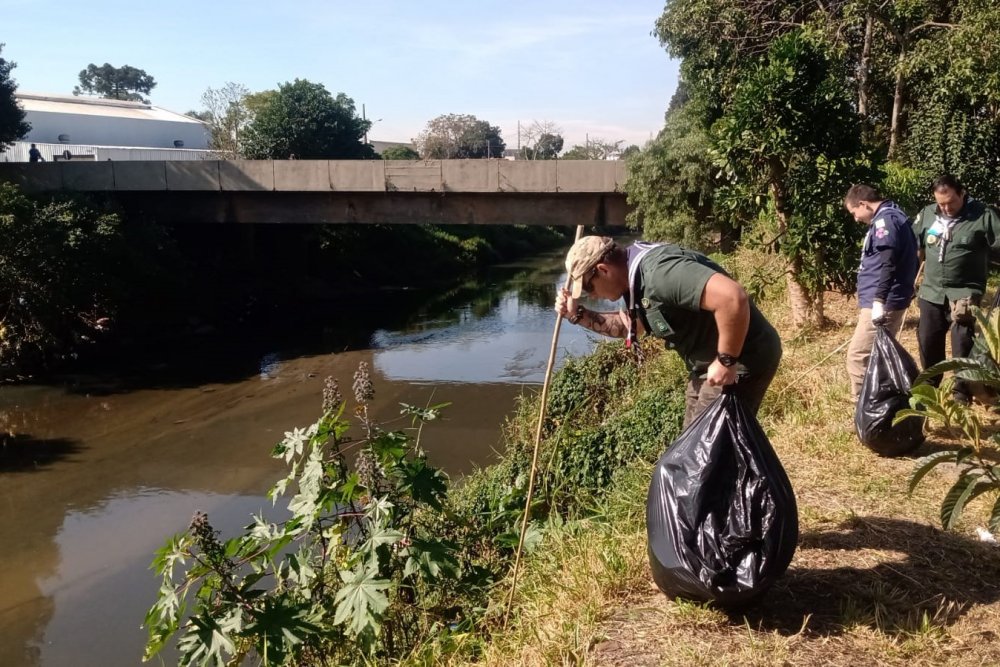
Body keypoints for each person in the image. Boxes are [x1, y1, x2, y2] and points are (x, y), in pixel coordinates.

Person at [555, 236, 782, 428]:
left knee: (708, 457)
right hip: (706, 369)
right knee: (691, 452)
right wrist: (578, 316)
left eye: (587, 288)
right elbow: (628, 327)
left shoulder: (660, 274)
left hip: (744, 358)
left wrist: (726, 360)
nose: (591, 296)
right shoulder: (632, 280)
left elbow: (732, 298)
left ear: (603, 270)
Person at [912, 174, 1000, 404]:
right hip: (931, 290)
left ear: (962, 193)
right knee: (928, 338)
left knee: (962, 341)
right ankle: (931, 387)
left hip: (965, 292)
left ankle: (962, 391)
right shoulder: (928, 214)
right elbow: (916, 246)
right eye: (941, 203)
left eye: (951, 201)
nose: (946, 208)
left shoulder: (982, 215)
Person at [843, 184, 919, 401]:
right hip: (887, 298)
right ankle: (883, 404)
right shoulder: (892, 217)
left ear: (863, 204)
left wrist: (878, 300)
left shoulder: (886, 221)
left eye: (854, 212)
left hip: (883, 301)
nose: (856, 219)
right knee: (880, 356)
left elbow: (889, 264)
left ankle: (864, 410)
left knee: (859, 356)